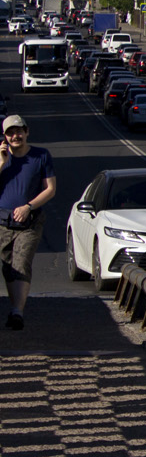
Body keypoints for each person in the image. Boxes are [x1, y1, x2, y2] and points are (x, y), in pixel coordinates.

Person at [0, 115, 58, 331]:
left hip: (30, 221)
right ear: (4, 136)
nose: (16, 136)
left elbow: (50, 189)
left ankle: (18, 312)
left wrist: (28, 207)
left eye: (19, 131)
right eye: (10, 133)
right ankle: (15, 307)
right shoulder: (2, 157)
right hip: (2, 222)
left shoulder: (40, 156)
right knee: (8, 267)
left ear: (27, 132)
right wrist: (2, 163)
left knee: (21, 261)